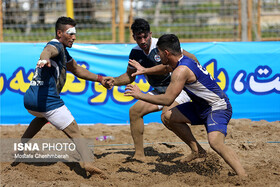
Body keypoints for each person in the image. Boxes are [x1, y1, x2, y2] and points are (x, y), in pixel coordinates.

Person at [124, 34, 247, 177]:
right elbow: (164, 68)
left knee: (215, 143)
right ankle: (197, 151)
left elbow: (167, 100)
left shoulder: (181, 71)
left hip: (217, 107)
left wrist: (139, 95)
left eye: (158, 52)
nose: (157, 55)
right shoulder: (182, 60)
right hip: (201, 106)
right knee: (167, 116)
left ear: (166, 53)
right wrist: (144, 70)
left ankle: (242, 176)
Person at [14, 16, 109, 175]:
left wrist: (100, 79)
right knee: (74, 130)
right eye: (70, 33)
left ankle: (20, 149)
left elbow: (78, 70)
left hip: (31, 100)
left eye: (74, 33)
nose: (74, 37)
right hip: (47, 100)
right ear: (59, 33)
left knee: (41, 118)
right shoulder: (56, 45)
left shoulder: (63, 51)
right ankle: (87, 163)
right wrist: (44, 59)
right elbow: (47, 51)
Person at [105, 18, 198, 160]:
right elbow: (130, 76)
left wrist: (195, 77)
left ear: (150, 34)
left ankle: (196, 149)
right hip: (159, 91)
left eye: (145, 36)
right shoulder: (135, 52)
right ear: (134, 37)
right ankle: (139, 155)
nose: (142, 41)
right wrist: (115, 81)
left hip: (178, 89)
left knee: (167, 116)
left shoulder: (161, 46)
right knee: (135, 111)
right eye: (138, 37)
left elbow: (191, 59)